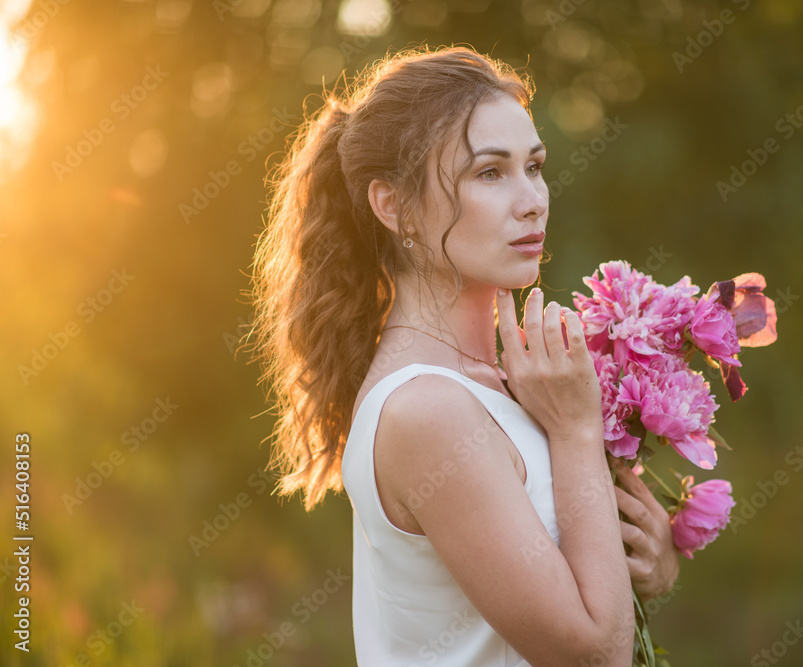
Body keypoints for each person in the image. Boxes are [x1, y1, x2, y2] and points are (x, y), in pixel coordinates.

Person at [252, 45, 679, 666]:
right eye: (489, 173)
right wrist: (577, 429)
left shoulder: (513, 383)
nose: (532, 199)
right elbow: (592, 655)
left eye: (535, 167)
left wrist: (653, 565)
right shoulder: (427, 410)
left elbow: (593, 601)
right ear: (393, 206)